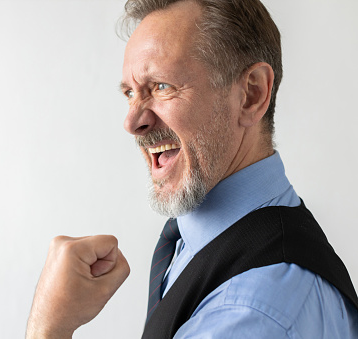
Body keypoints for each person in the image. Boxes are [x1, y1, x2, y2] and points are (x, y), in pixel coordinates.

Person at [26, 0, 358, 338]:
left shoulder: (250, 311)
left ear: (251, 95)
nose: (132, 121)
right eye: (130, 93)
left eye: (161, 86)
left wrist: (50, 327)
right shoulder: (209, 236)